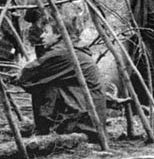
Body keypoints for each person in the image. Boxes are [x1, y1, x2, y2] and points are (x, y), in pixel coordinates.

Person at [15, 13, 106, 143]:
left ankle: (46, 129)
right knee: (46, 80)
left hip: (86, 120)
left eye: (46, 32)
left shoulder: (62, 52)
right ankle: (48, 128)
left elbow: (29, 74)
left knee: (44, 85)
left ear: (58, 34)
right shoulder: (71, 48)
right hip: (92, 117)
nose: (42, 36)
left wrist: (19, 76)